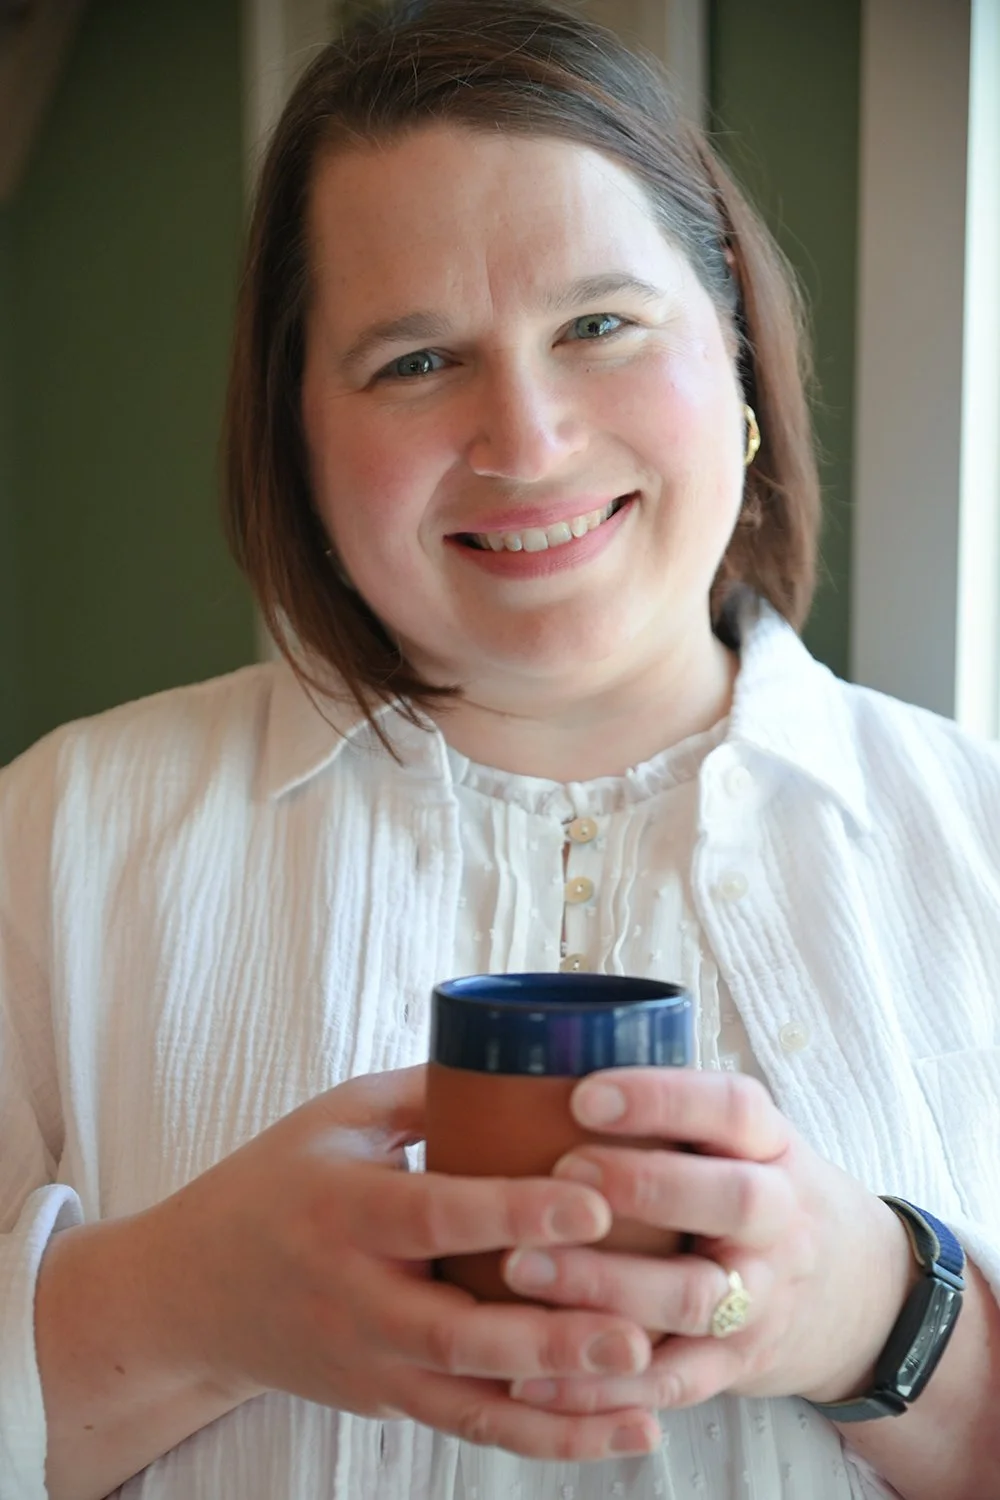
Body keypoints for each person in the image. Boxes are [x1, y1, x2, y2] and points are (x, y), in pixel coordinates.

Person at [1, 1, 998, 1496]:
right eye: (413, 362)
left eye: (599, 324)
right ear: (299, 438)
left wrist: (881, 1314)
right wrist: (180, 1305)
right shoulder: (56, 839)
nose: (524, 440)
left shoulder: (977, 833)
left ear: (731, 354)